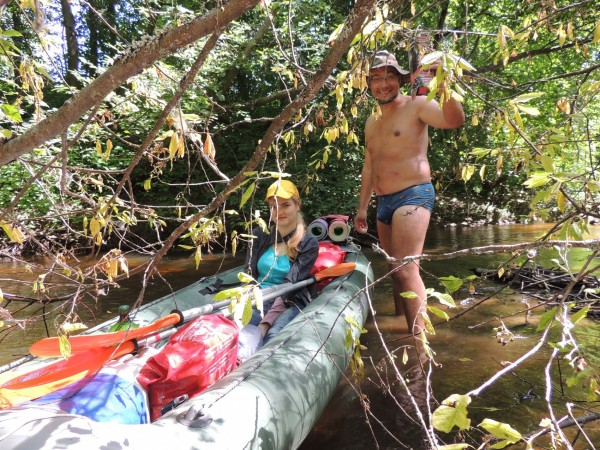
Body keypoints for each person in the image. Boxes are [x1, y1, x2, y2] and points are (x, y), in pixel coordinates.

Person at [354, 50, 465, 337]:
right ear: (368, 84)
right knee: (394, 271)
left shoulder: (417, 104)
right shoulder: (371, 120)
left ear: (401, 79)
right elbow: (369, 166)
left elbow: (454, 120)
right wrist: (362, 208)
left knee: (406, 269)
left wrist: (443, 83)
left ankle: (421, 350)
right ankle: (400, 329)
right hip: (384, 202)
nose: (383, 84)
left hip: (413, 194)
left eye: (389, 76)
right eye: (376, 78)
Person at [245, 179, 319, 344]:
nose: (279, 211)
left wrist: (266, 323)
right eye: (274, 206)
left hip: (289, 301)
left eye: (285, 205)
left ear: (297, 205)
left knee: (273, 336)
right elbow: (248, 275)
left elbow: (289, 287)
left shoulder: (308, 243)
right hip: (258, 297)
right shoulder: (259, 235)